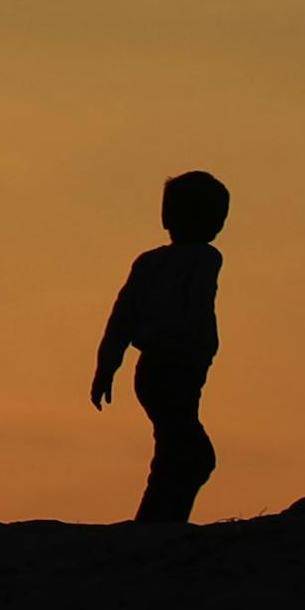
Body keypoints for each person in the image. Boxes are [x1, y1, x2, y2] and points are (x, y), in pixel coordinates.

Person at [93, 171, 228, 523]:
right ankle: (159, 523)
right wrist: (107, 366)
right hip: (171, 366)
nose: (217, 224)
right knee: (190, 452)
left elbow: (122, 317)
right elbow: (129, 316)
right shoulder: (203, 258)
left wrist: (107, 365)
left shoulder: (151, 263)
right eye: (212, 214)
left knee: (176, 449)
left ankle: (159, 522)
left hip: (164, 368)